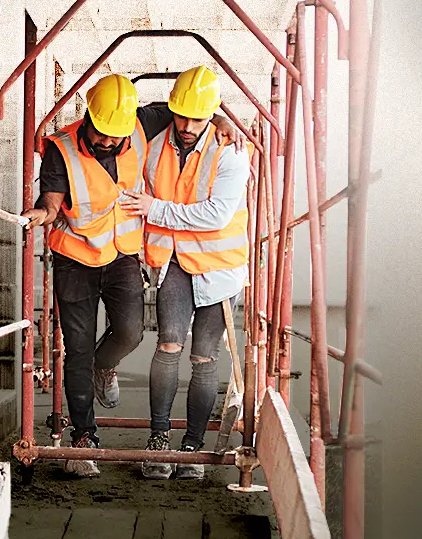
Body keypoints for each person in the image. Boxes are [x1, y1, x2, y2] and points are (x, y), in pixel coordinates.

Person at [22, 73, 245, 476]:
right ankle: (84, 440)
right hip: (76, 258)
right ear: (88, 115)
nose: (109, 141)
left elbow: (194, 109)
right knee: (77, 348)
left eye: (116, 135)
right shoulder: (62, 149)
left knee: (131, 332)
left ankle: (102, 367)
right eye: (102, 133)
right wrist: (44, 213)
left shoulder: (143, 122)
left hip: (125, 255)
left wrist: (223, 119)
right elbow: (52, 199)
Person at [119, 65, 251, 480]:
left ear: (212, 114)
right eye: (183, 116)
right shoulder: (155, 141)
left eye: (198, 117)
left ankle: (192, 447)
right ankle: (159, 441)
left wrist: (154, 209)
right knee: (169, 347)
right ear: (172, 110)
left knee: (204, 357)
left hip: (220, 268)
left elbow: (216, 214)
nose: (189, 125)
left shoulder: (229, 151)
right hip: (175, 260)